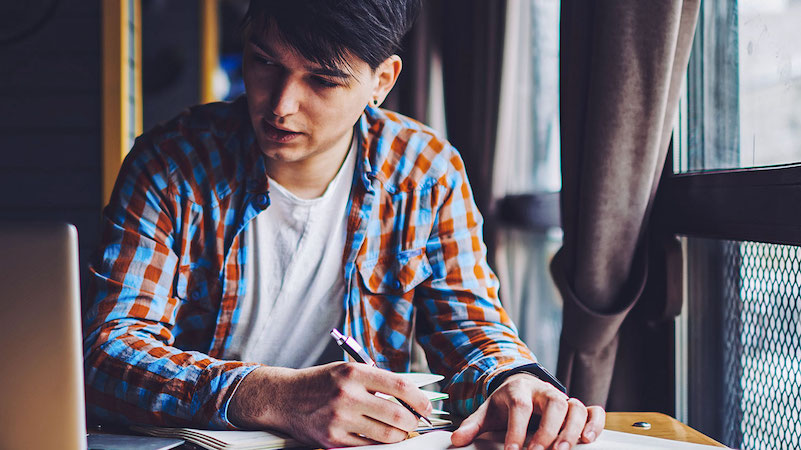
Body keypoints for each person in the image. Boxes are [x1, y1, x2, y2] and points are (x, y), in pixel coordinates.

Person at [83, 1, 605, 448]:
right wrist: (274, 396)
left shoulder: (425, 171)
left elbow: (470, 328)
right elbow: (107, 355)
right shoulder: (172, 163)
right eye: (264, 62)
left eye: (323, 79)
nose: (281, 105)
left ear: (382, 81)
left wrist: (511, 380)